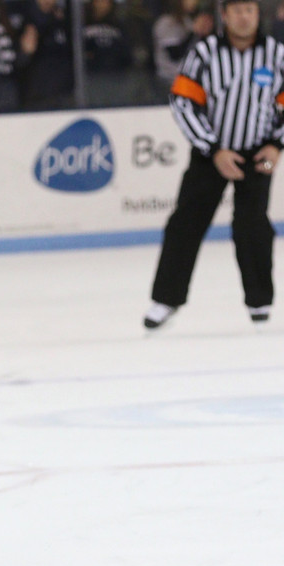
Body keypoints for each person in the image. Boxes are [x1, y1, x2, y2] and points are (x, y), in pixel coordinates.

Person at [143, 0, 283, 329]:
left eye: (249, 10)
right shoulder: (205, 52)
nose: (244, 17)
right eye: (237, 11)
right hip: (211, 155)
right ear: (225, 16)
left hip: (257, 155)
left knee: (253, 226)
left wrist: (276, 145)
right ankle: (166, 299)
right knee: (185, 223)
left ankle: (259, 302)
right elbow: (182, 101)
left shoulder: (276, 55)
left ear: (257, 14)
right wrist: (213, 148)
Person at [19, 0, 75, 111]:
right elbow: (18, 64)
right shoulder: (27, 21)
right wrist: (25, 52)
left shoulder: (65, 21)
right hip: (39, 99)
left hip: (67, 96)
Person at [151, 0, 214, 98]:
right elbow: (175, 54)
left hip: (191, 81)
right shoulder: (165, 23)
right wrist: (194, 32)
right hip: (169, 82)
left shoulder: (187, 21)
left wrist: (205, 34)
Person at [83, 0, 136, 107]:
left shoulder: (119, 26)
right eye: (99, 1)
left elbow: (126, 53)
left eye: (105, 1)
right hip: (91, 80)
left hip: (116, 79)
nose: (102, 5)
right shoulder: (83, 24)